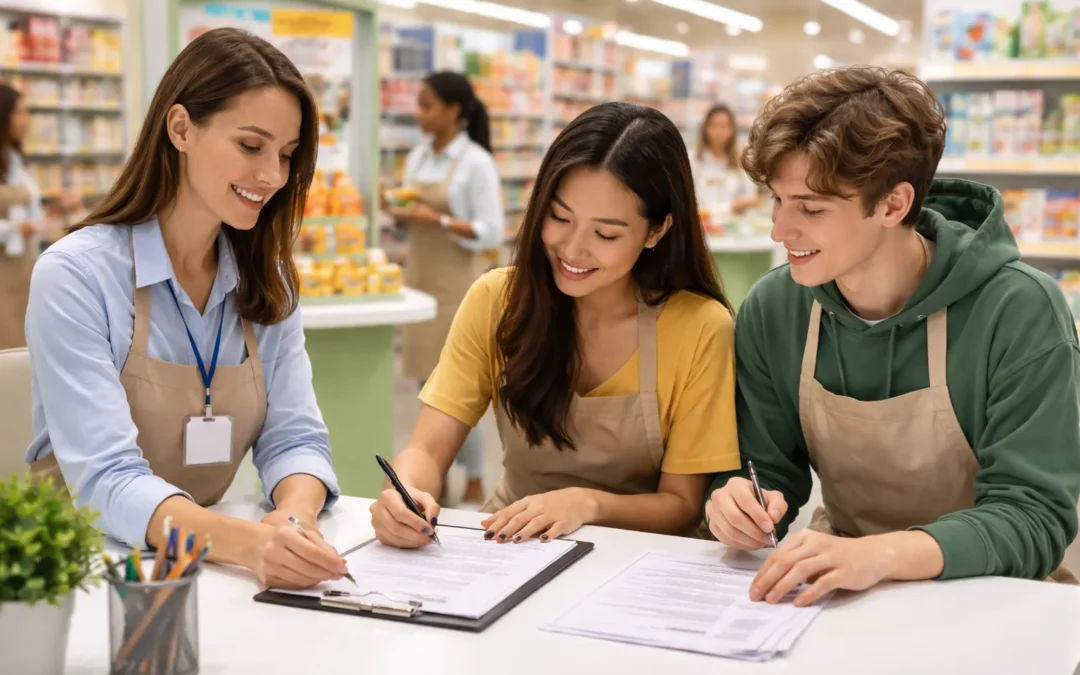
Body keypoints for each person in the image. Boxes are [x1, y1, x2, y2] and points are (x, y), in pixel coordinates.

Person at [705, 67, 1080, 608]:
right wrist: (737, 502)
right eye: (777, 201)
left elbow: (1035, 517)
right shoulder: (776, 307)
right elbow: (766, 468)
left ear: (893, 205)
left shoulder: (1019, 310)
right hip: (840, 587)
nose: (779, 230)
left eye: (811, 208)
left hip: (994, 596)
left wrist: (882, 554)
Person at [24, 28, 348, 591]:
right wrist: (248, 544)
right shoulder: (77, 276)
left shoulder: (267, 281)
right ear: (180, 128)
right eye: (251, 146)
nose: (273, 176)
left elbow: (295, 438)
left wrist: (294, 521)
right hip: (85, 573)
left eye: (286, 155)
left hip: (207, 568)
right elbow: (107, 478)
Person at [371, 101, 741, 548]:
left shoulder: (700, 327)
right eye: (560, 217)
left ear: (657, 231)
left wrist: (587, 505)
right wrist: (405, 492)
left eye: (606, 234)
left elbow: (682, 505)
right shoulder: (497, 300)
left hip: (639, 555)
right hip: (510, 543)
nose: (572, 249)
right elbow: (427, 449)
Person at [388, 71, 504, 508]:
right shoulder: (419, 156)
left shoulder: (476, 163)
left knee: (458, 386)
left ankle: (475, 479)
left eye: (427, 105)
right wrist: (400, 211)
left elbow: (491, 230)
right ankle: (438, 476)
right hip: (420, 277)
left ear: (454, 110)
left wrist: (435, 219)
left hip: (458, 284)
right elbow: (411, 209)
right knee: (427, 382)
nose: (418, 113)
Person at [0, 83, 44, 350]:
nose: (26, 120)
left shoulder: (15, 159)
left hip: (24, 267)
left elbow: (31, 211)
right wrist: (14, 229)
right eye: (19, 112)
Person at [690, 103, 759, 221]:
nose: (720, 131)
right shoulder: (693, 160)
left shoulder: (742, 160)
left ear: (732, 130)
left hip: (733, 226)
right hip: (700, 223)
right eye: (715, 125)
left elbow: (751, 198)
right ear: (706, 128)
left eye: (725, 126)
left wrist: (743, 203)